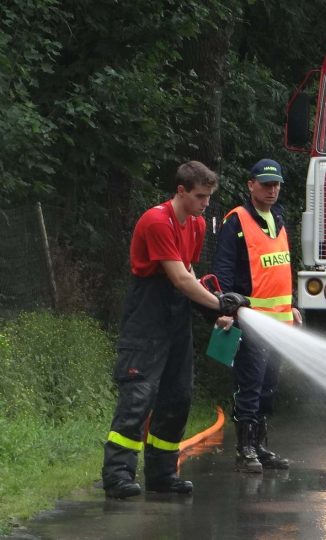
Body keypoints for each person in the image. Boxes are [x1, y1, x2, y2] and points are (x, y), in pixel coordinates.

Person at [102, 161, 249, 499]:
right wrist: (219, 304)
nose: (205, 204)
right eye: (200, 196)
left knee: (177, 397)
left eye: (209, 197)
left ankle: (162, 474)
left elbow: (190, 274)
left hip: (176, 315)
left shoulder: (196, 225)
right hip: (147, 314)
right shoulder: (157, 220)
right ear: (180, 190)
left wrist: (213, 310)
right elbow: (179, 278)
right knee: (138, 397)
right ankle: (118, 476)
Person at [213, 158, 301, 473]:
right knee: (250, 384)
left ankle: (261, 447)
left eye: (276, 184)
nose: (272, 189)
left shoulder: (278, 217)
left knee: (268, 385)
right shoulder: (236, 221)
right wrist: (225, 310)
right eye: (265, 184)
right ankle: (245, 449)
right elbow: (222, 270)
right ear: (251, 185)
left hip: (279, 322)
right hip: (251, 320)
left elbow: (282, 267)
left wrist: (292, 305)